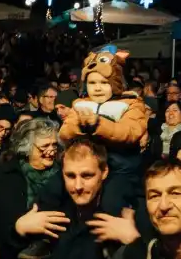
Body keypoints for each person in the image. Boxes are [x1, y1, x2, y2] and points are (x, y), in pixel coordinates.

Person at [57, 48, 150, 197]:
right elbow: (64, 133)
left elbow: (130, 132)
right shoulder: (80, 103)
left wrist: (99, 123)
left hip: (120, 169)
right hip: (85, 168)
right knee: (55, 191)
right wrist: (81, 124)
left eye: (104, 82)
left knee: (111, 203)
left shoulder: (131, 103)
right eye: (92, 82)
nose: (98, 88)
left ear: (115, 83)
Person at [0, 116, 62, 249]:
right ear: (28, 148)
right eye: (44, 146)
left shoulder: (63, 174)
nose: (51, 151)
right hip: (9, 251)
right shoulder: (5, 175)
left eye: (54, 145)